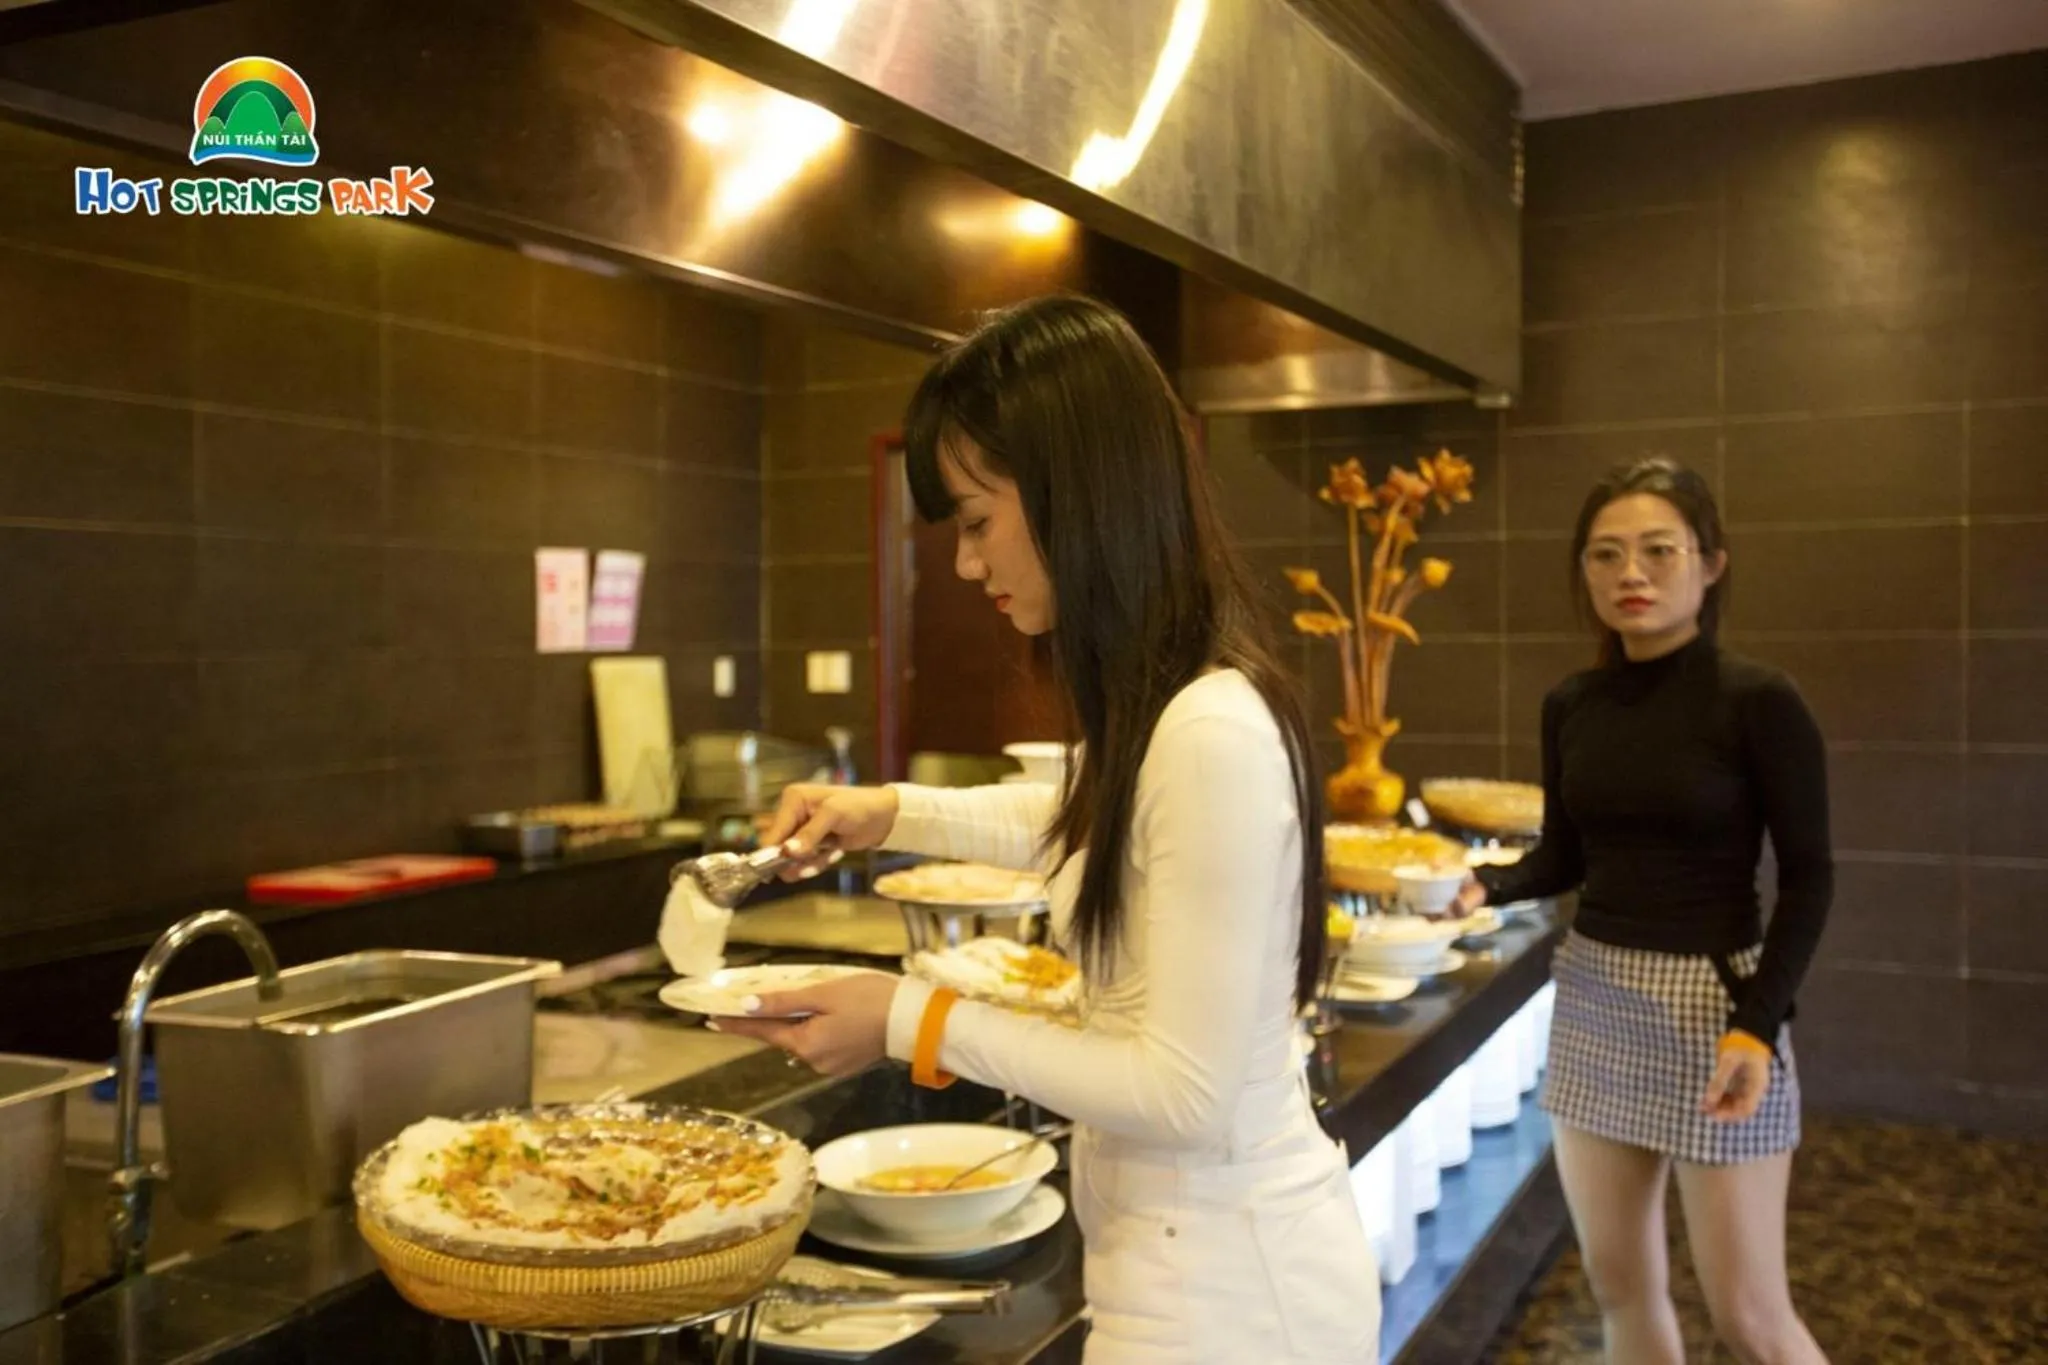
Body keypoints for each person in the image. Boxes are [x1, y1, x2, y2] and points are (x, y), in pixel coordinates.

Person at [712, 295, 1381, 1363]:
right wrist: (882, 813)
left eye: (977, 522)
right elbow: (1088, 820)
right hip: (1189, 1271)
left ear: (1083, 491)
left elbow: (1184, 1094)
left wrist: (908, 1020)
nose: (969, 564)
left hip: (1235, 1304)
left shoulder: (1208, 726)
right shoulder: (1176, 706)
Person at [1459, 457, 1832, 1365]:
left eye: (1658, 551)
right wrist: (1486, 886)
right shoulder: (1573, 705)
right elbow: (1567, 855)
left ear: (1710, 564)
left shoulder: (1759, 700)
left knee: (1750, 1316)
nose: (1631, 572)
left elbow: (1811, 879)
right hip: (1595, 1001)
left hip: (1718, 1012)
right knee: (1621, 1289)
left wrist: (1755, 1026)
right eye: (1607, 554)